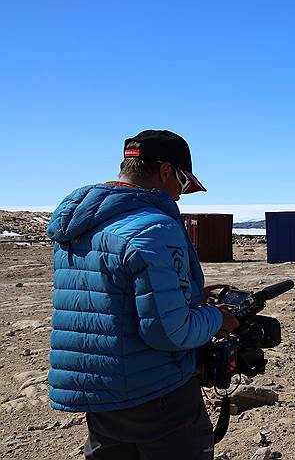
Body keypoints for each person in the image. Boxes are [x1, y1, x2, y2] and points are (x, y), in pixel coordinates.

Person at [46, 129, 239, 460]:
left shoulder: (79, 226)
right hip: (155, 394)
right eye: (182, 185)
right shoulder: (154, 228)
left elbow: (110, 298)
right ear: (165, 172)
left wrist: (186, 292)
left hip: (99, 394)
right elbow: (168, 330)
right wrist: (218, 318)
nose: (179, 197)